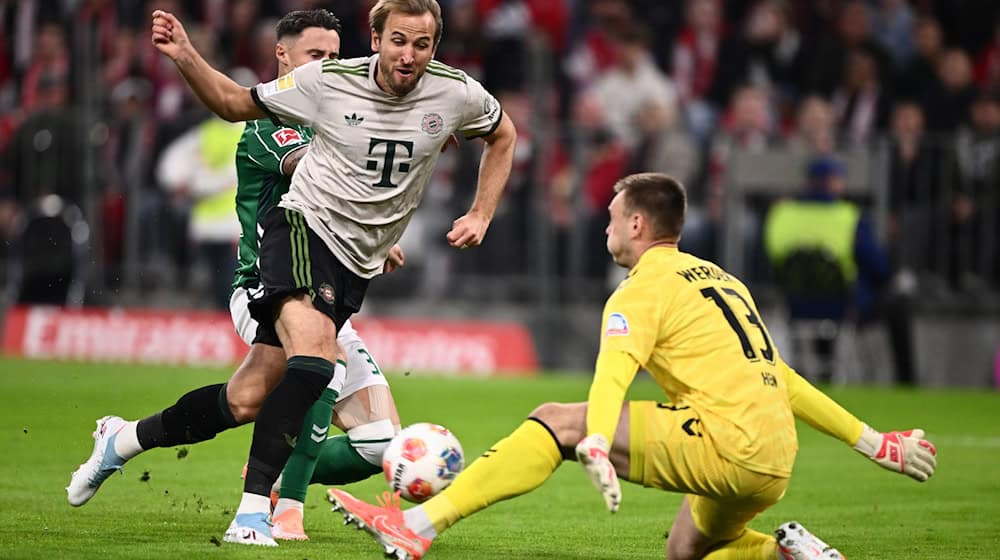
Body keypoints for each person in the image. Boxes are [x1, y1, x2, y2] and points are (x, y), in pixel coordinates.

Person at [69, 0, 516, 547]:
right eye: (398, 41)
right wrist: (187, 55)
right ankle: (264, 509)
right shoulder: (316, 93)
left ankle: (124, 439)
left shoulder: (452, 92)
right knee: (316, 363)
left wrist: (479, 211)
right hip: (290, 243)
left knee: (259, 404)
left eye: (421, 44)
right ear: (374, 40)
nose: (409, 54)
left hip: (351, 265)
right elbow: (249, 114)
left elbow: (502, 133)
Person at [328, 172, 937, 560]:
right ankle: (793, 556)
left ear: (638, 225)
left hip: (725, 443)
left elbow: (614, 370)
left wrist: (592, 435)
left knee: (553, 420)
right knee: (685, 551)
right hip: (774, 460)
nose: (606, 227)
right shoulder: (723, 281)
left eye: (613, 217)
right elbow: (786, 379)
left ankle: (418, 526)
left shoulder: (641, 288)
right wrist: (876, 443)